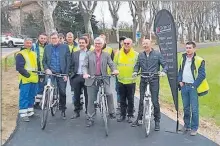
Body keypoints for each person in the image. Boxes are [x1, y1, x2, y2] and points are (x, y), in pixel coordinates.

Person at [131, 39, 168, 131]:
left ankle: (157, 121)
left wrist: (163, 72)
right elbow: (137, 65)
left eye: (147, 43)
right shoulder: (140, 54)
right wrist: (135, 72)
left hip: (154, 79)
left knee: (155, 101)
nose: (145, 45)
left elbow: (165, 65)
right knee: (141, 100)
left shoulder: (157, 54)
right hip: (143, 79)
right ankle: (139, 119)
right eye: (143, 43)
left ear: (151, 44)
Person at [82, 37, 119, 127]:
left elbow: (111, 64)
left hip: (103, 77)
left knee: (109, 93)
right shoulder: (88, 54)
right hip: (92, 78)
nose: (97, 45)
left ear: (103, 45)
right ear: (94, 44)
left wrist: (114, 70)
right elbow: (84, 65)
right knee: (91, 99)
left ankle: (111, 112)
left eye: (99, 43)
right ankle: (91, 117)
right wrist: (85, 73)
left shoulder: (106, 55)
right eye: (96, 43)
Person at [178, 41, 209, 136]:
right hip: (184, 86)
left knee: (194, 109)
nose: (188, 49)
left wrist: (194, 85)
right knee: (186, 108)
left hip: (192, 88)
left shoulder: (199, 60)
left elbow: (202, 75)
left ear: (194, 49)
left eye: (190, 48)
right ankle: (186, 125)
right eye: (186, 48)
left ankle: (194, 128)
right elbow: (180, 70)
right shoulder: (182, 58)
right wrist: (180, 80)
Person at [42, 32, 71, 119]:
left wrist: (66, 74)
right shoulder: (47, 47)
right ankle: (46, 103)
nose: (54, 40)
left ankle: (63, 109)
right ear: (50, 39)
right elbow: (44, 61)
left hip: (61, 73)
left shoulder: (65, 47)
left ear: (59, 39)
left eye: (55, 38)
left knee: (62, 91)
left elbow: (68, 62)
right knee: (47, 87)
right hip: (51, 72)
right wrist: (47, 69)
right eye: (52, 38)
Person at [114, 38, 138, 123]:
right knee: (122, 99)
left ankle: (130, 115)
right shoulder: (118, 53)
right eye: (125, 43)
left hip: (131, 81)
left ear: (131, 44)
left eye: (128, 43)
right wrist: (113, 72)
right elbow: (114, 64)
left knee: (131, 99)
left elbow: (138, 66)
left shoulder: (136, 54)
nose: (126, 45)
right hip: (120, 80)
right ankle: (122, 114)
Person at [16, 38, 38, 122]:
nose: (29, 45)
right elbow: (19, 67)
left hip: (34, 78)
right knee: (24, 96)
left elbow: (36, 65)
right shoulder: (20, 54)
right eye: (27, 43)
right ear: (24, 44)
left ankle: (30, 110)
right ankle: (23, 113)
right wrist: (27, 74)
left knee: (31, 95)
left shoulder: (34, 53)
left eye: (30, 43)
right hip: (26, 79)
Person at [70, 37, 89, 118]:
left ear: (86, 43)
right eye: (80, 42)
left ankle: (88, 112)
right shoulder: (75, 53)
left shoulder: (90, 53)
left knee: (87, 95)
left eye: (83, 42)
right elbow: (71, 65)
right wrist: (71, 75)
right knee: (76, 95)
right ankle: (76, 111)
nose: (81, 44)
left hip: (87, 77)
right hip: (76, 76)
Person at [31, 33, 48, 109]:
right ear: (38, 38)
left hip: (44, 69)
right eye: (42, 38)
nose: (43, 40)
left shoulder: (48, 47)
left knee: (41, 86)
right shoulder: (34, 46)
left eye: (44, 38)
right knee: (34, 86)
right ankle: (32, 102)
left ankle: (38, 102)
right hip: (35, 69)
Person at [115, 36, 127, 114]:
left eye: (124, 42)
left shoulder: (131, 52)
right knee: (119, 91)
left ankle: (128, 106)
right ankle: (120, 105)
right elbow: (114, 63)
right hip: (118, 76)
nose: (122, 43)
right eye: (121, 42)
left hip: (127, 76)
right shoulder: (117, 52)